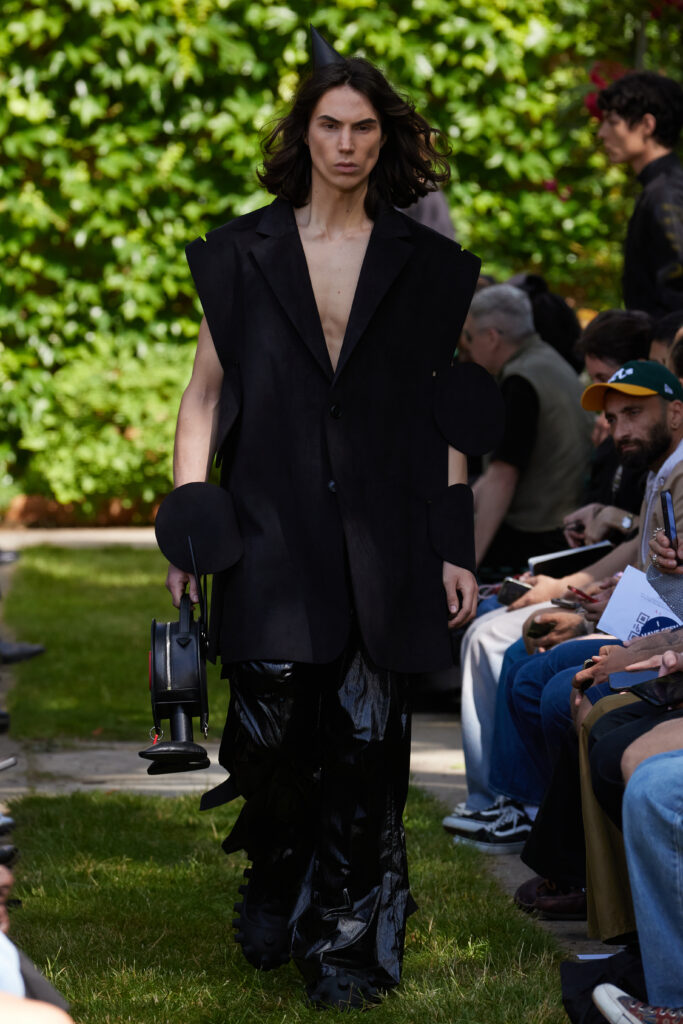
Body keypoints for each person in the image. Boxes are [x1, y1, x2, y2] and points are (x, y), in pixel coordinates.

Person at [163, 28, 498, 1011]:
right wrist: (189, 524)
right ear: (302, 134)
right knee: (267, 725)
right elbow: (201, 395)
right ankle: (277, 868)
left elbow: (443, 417)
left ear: (383, 139)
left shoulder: (424, 263)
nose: (345, 145)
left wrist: (450, 546)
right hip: (267, 522)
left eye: (361, 128)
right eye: (328, 126)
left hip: (384, 532)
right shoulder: (245, 252)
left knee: (362, 738)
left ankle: (346, 943)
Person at [447, 360, 683, 846]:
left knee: (546, 680)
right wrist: (577, 592)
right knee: (527, 656)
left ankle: (540, 821)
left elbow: (666, 597)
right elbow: (644, 561)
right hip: (645, 629)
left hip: (661, 641)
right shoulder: (659, 472)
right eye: (613, 418)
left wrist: (590, 610)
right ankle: (526, 811)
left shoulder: (676, 473)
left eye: (633, 414)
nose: (620, 430)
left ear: (676, 413)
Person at [459, 283, 592, 573]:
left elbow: (502, 478)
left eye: (467, 336)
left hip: (541, 536)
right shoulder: (548, 360)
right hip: (565, 522)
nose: (465, 347)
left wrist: (467, 564)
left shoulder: (520, 380)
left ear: (491, 337)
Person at [597, 71, 683, 316]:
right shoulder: (660, 187)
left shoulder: (665, 192)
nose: (602, 133)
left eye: (613, 122)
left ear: (647, 125)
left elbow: (677, 287)